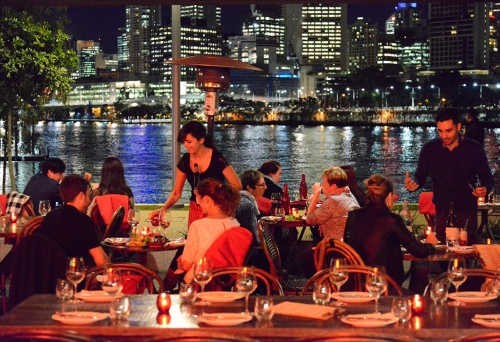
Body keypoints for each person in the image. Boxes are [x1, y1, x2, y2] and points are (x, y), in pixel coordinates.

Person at [405, 108, 494, 243]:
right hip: (442, 210)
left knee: (465, 252)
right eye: (440, 131)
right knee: (442, 254)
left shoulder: (474, 148)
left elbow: (487, 179)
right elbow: (420, 176)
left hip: (466, 210)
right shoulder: (429, 148)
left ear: (458, 127)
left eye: (448, 130)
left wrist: (484, 189)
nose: (444, 136)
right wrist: (414, 183)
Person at [344, 174, 437, 286]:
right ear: (389, 196)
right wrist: (431, 244)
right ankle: (414, 299)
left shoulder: (353, 216)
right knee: (420, 267)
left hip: (357, 283)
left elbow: (347, 246)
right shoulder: (392, 220)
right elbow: (419, 251)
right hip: (387, 283)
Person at [149, 121, 241, 228]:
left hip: (217, 208)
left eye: (189, 142)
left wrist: (215, 192)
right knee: (196, 239)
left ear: (201, 140)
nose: (185, 145)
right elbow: (176, 193)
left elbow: (237, 185)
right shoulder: (185, 160)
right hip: (195, 208)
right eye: (184, 142)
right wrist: (164, 208)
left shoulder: (217, 158)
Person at [172, 178, 240, 285]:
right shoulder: (235, 224)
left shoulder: (198, 226)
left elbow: (186, 265)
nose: (198, 205)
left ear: (207, 199)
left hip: (200, 282)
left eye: (198, 200)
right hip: (226, 282)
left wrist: (181, 263)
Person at [36, 174, 109, 267]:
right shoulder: (83, 221)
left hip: (49, 275)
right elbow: (101, 261)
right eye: (88, 196)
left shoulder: (49, 217)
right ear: (81, 196)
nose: (89, 202)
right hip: (76, 275)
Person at [306, 166, 360, 240]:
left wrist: (316, 194)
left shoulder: (333, 200)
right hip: (351, 245)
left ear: (334, 186)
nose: (322, 186)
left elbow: (309, 220)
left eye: (324, 183)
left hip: (336, 247)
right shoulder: (349, 194)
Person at [234, 169, 266, 247]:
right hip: (247, 252)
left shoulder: (238, 198)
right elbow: (252, 239)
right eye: (262, 185)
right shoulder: (247, 205)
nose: (265, 187)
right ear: (249, 188)